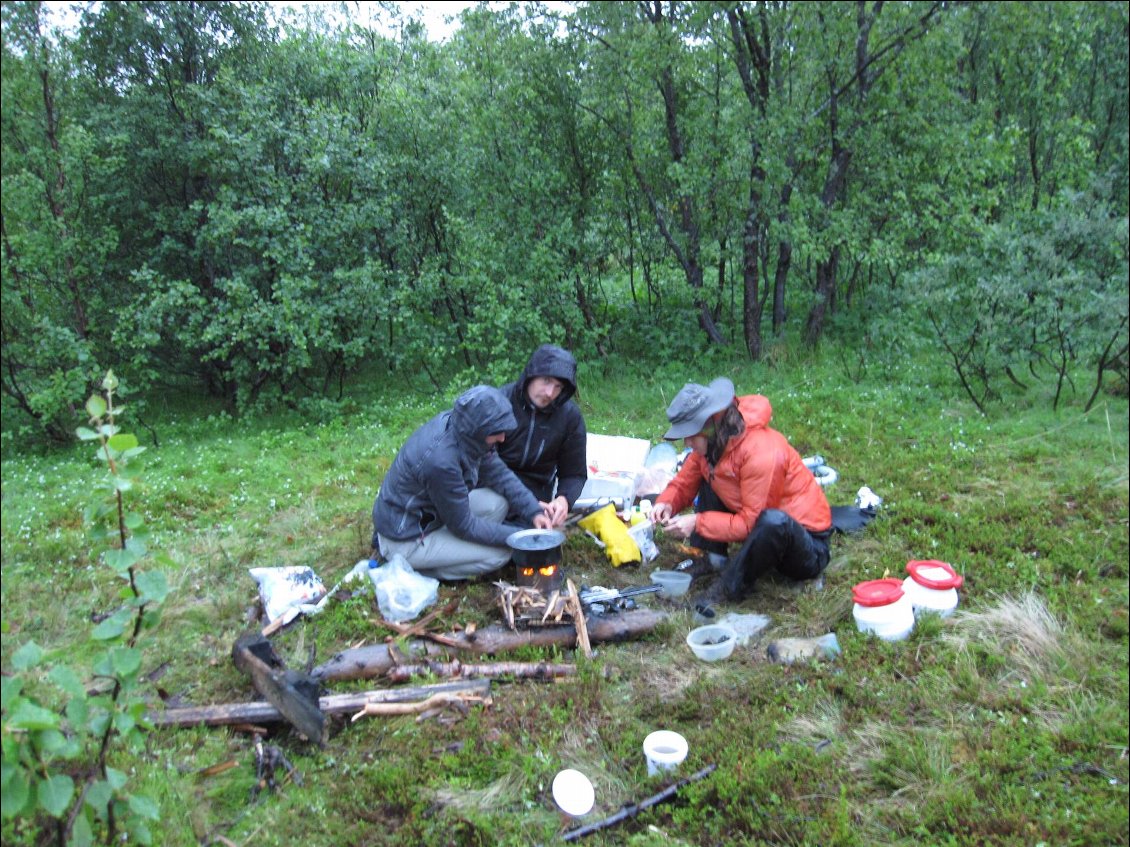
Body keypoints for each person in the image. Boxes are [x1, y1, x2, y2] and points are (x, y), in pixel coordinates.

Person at [650, 377, 832, 601]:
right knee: (710, 475)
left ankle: (728, 588)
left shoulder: (762, 453)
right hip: (759, 530)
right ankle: (711, 556)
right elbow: (684, 483)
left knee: (773, 522)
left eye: (690, 434)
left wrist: (698, 522)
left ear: (710, 427)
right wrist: (666, 502)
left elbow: (752, 523)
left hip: (806, 546)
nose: (686, 443)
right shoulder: (713, 445)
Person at [372, 385, 554, 581]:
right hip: (406, 538)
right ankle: (411, 571)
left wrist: (533, 510)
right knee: (499, 554)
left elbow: (499, 474)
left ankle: (444, 552)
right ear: (479, 429)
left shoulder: (466, 431)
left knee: (497, 503)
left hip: (429, 516)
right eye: (497, 432)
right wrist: (523, 537)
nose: (502, 438)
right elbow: (464, 526)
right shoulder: (441, 462)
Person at [496, 345, 588, 528]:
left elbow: (574, 473)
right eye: (546, 381)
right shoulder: (499, 402)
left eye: (558, 387)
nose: (550, 393)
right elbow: (477, 463)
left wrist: (563, 500)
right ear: (531, 375)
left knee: (533, 543)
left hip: (537, 492)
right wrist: (520, 502)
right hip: (494, 485)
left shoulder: (570, 417)